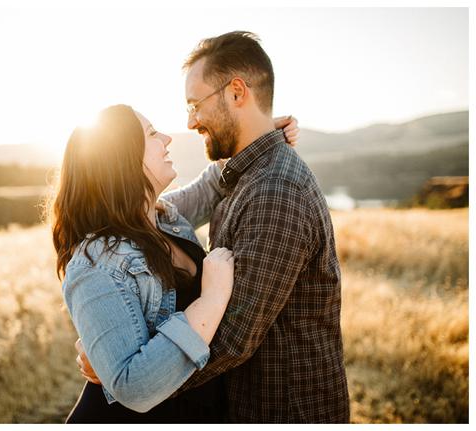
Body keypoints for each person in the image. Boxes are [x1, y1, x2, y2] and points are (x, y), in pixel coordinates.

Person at [77, 31, 350, 423]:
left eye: (194, 104)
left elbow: (232, 336)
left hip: (283, 410)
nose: (188, 122)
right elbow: (202, 189)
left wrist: (128, 373)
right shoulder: (241, 176)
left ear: (237, 93)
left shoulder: (275, 190)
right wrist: (114, 346)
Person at [53, 104, 299, 423]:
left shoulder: (162, 217)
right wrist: (212, 298)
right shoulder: (95, 264)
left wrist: (258, 134)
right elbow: (134, 386)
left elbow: (212, 185)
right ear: (123, 158)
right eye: (152, 133)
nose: (167, 139)